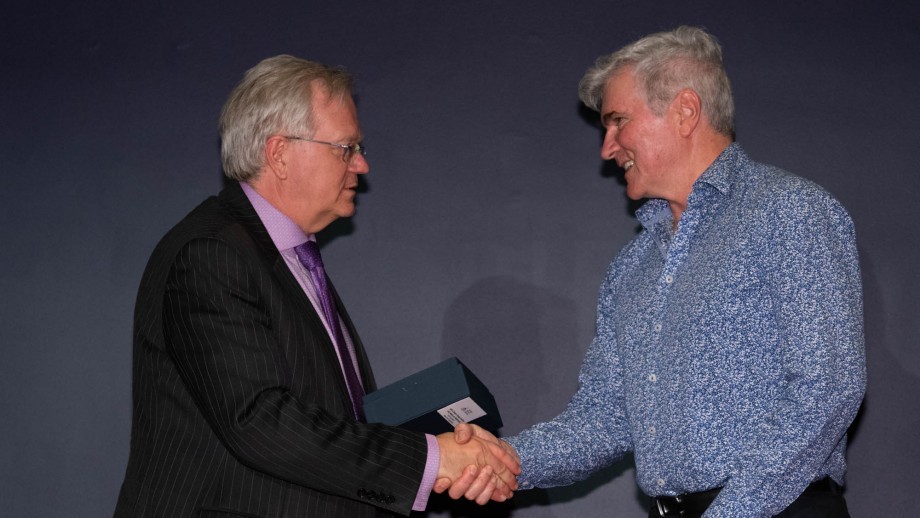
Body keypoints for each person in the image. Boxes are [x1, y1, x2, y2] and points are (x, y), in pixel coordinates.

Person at [442, 26, 866, 517]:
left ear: (685, 111)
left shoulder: (789, 211)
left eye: (618, 121)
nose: (607, 147)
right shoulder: (633, 266)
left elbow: (827, 388)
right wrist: (508, 459)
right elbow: (604, 418)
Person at [114, 55, 519, 518]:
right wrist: (432, 459)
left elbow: (326, 423)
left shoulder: (289, 259)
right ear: (280, 153)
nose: (362, 165)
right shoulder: (211, 254)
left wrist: (434, 446)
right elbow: (259, 422)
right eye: (345, 148)